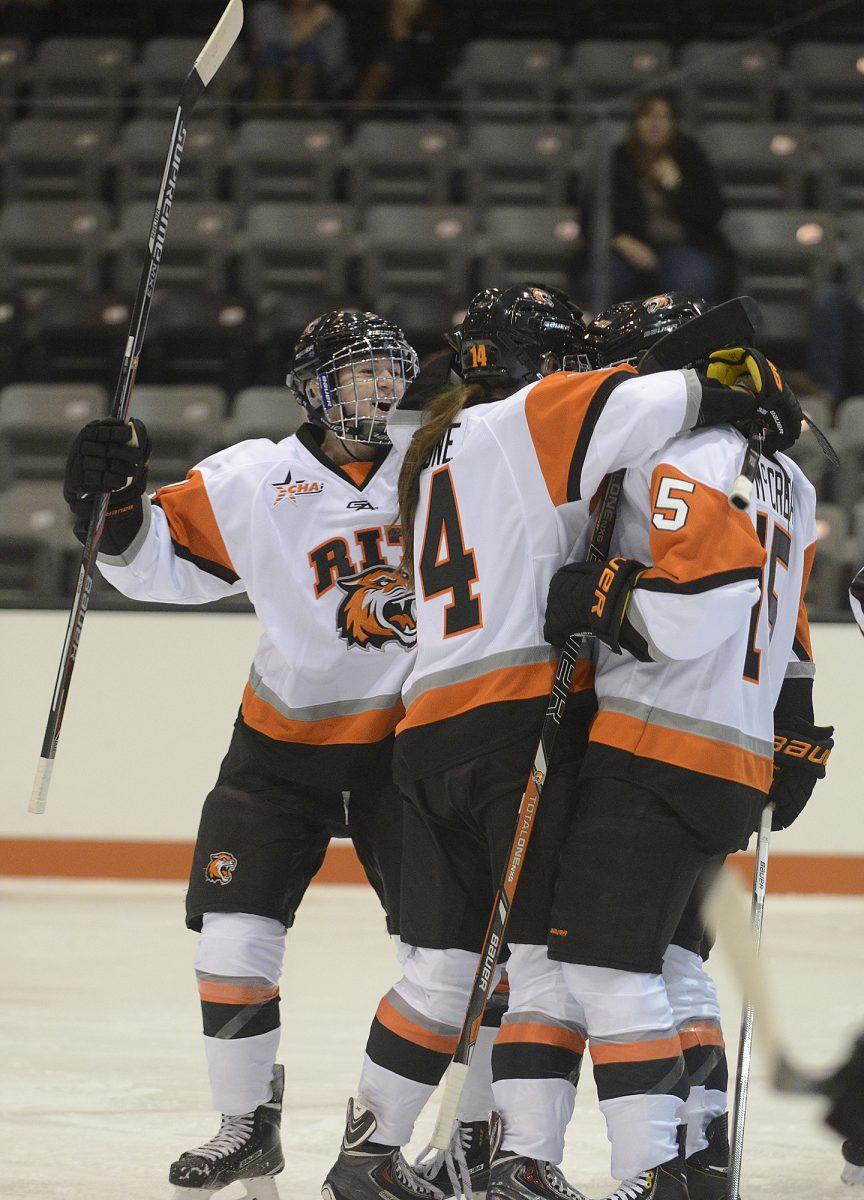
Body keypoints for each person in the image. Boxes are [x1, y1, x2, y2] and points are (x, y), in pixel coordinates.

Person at [318, 282, 800, 1200]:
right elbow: (664, 396)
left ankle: (367, 1157)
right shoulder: (537, 415)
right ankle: (523, 1163)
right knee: (547, 969)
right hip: (516, 725)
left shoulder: (433, 451)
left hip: (423, 733)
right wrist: (738, 391)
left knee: (440, 972)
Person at [62, 311, 423, 1200]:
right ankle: (244, 1127)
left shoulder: (442, 461)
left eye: (389, 371)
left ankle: (402, 1139)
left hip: (410, 749)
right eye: (359, 372)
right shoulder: (251, 477)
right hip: (281, 747)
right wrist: (105, 508)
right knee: (231, 940)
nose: (380, 387)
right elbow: (152, 564)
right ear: (312, 386)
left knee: (444, 956)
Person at [541, 314, 830, 1197]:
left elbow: (693, 610)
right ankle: (701, 1154)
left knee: (600, 965)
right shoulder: (790, 484)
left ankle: (655, 1170)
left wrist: (596, 595)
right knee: (671, 961)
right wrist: (795, 732)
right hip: (735, 757)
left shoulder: (688, 456)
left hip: (657, 746)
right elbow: (788, 640)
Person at [580, 93, 731, 306]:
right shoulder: (618, 160)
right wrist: (621, 241)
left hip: (682, 247)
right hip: (628, 250)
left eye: (663, 117)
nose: (655, 124)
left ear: (674, 124)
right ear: (635, 123)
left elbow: (712, 213)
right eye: (647, 116)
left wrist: (677, 184)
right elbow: (591, 213)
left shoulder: (690, 157)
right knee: (597, 283)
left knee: (694, 282)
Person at [249, 0, 351, 103]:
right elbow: (267, 47)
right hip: (269, 81)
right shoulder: (265, 11)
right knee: (272, 55)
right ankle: (266, 113)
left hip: (320, 91)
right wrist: (310, 24)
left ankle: (300, 112)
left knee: (309, 52)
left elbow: (333, 65)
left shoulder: (331, 18)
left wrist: (300, 60)